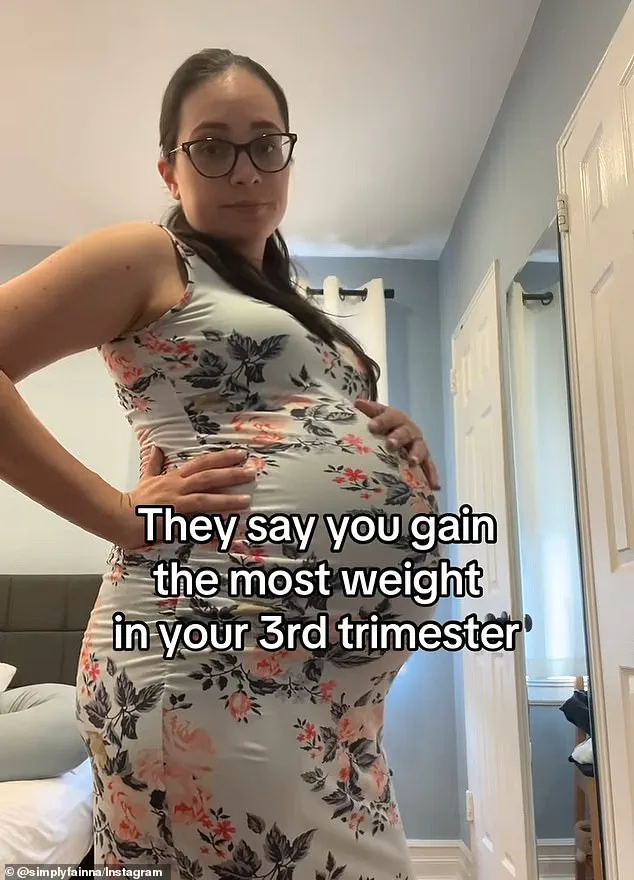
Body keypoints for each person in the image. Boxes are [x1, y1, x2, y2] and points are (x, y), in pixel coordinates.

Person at [0, 48, 442, 879]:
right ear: (170, 169)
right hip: (205, 668)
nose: (245, 168)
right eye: (212, 146)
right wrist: (119, 513)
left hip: (335, 698)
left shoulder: (291, 302)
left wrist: (389, 433)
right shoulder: (150, 256)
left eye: (265, 143)